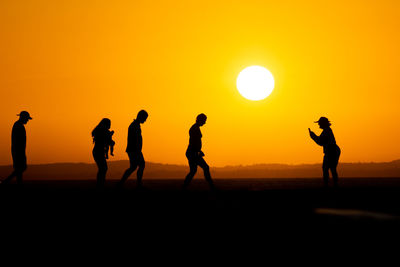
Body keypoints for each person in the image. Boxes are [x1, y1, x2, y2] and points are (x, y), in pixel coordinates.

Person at [183, 113, 215, 190]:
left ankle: (184, 187)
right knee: (205, 167)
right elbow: (193, 142)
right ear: (200, 120)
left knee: (193, 171)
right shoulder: (194, 128)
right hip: (193, 153)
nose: (205, 122)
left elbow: (195, 142)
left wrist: (199, 151)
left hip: (193, 152)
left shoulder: (196, 128)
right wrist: (198, 152)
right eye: (204, 120)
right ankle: (212, 186)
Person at [119, 110, 148, 188]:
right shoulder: (134, 125)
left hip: (134, 149)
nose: (145, 120)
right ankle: (138, 184)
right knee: (141, 165)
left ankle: (121, 183)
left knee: (133, 167)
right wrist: (137, 149)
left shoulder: (135, 125)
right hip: (134, 150)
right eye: (145, 118)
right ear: (140, 117)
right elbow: (135, 139)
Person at [309, 117, 341, 186]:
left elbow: (320, 142)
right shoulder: (327, 130)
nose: (319, 125)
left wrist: (313, 136)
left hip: (332, 151)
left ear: (323, 123)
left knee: (327, 168)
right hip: (333, 151)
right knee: (331, 168)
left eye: (319, 123)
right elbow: (321, 141)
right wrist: (313, 136)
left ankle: (328, 184)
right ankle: (333, 184)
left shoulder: (326, 131)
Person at [2, 111, 32, 185]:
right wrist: (20, 152)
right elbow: (18, 141)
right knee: (21, 168)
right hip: (18, 151)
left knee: (19, 169)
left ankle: (17, 183)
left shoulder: (18, 125)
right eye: (27, 119)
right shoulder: (18, 126)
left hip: (18, 150)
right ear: (23, 118)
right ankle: (5, 182)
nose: (27, 120)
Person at [92, 118, 115, 188]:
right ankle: (100, 184)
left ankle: (100, 184)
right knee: (103, 168)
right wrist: (110, 139)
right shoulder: (102, 132)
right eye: (109, 124)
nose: (110, 125)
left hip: (98, 152)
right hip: (98, 151)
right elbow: (104, 141)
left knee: (103, 168)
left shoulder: (102, 131)